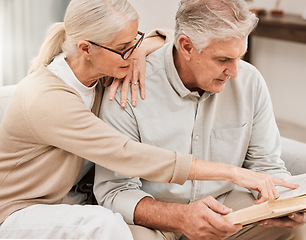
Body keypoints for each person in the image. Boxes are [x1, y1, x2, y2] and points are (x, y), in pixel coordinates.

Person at [94, 0, 306, 239]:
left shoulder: (249, 81)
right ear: (186, 46)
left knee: (295, 230)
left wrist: (288, 203)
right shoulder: (130, 87)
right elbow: (115, 191)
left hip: (225, 207)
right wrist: (180, 217)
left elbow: (266, 166)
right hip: (156, 218)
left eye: (239, 58)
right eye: (223, 60)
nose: (235, 72)